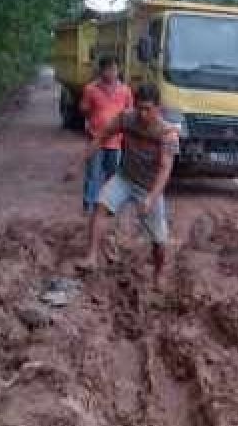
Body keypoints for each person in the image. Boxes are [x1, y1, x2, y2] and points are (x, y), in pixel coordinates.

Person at [77, 83, 179, 289]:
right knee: (100, 205)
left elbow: (165, 170)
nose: (142, 113)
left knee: (159, 241)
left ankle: (158, 274)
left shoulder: (167, 134)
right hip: (125, 177)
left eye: (148, 109)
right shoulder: (126, 118)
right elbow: (101, 137)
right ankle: (91, 256)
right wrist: (78, 162)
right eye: (139, 107)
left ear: (158, 108)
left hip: (149, 187)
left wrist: (151, 197)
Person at [78, 56, 133, 214]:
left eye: (114, 69)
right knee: (93, 173)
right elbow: (83, 108)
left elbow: (129, 111)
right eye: (107, 69)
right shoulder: (91, 89)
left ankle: (109, 205)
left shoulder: (125, 90)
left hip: (116, 141)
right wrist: (91, 115)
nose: (111, 73)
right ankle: (89, 204)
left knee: (113, 175)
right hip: (96, 138)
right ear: (101, 71)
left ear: (118, 70)